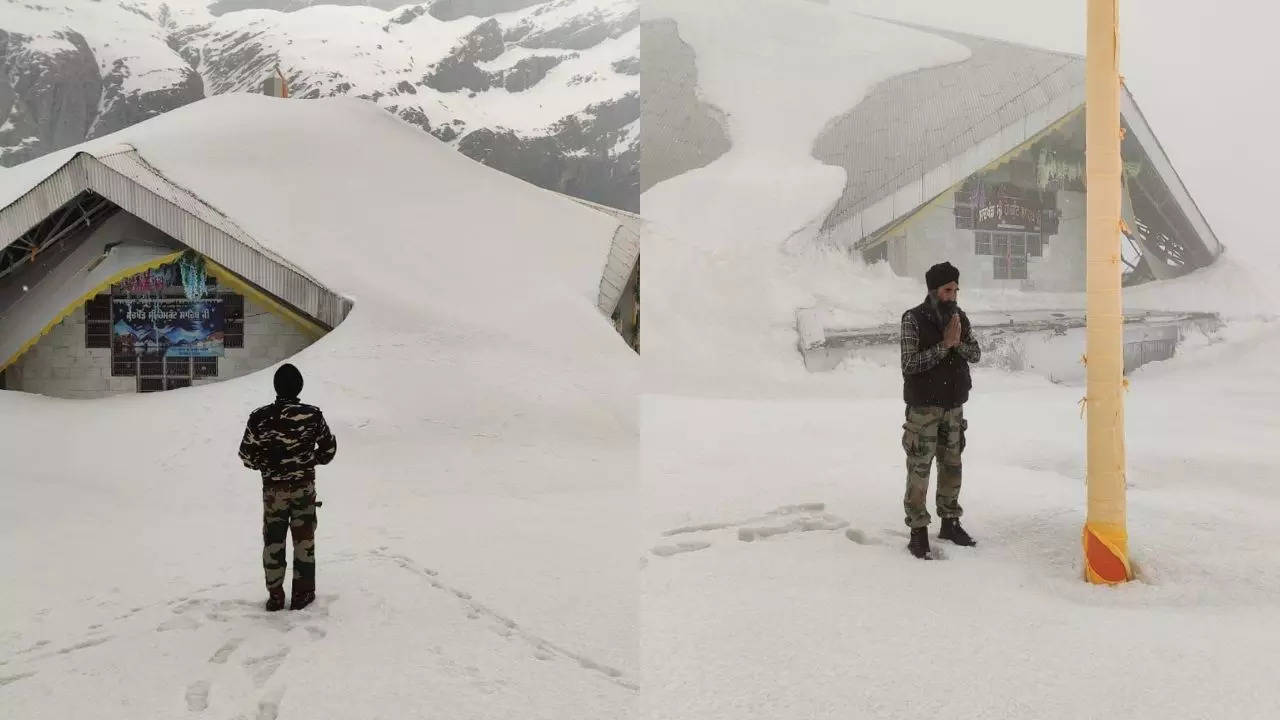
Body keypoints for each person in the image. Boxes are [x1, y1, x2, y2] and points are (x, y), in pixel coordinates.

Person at [239, 363, 338, 610]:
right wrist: (308, 461)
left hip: (274, 491)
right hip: (304, 488)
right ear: (299, 387)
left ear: (276, 387)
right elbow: (329, 450)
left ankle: (275, 596)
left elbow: (246, 455)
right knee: (304, 540)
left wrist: (267, 465)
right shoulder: (313, 415)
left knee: (274, 541)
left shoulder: (259, 417)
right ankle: (303, 595)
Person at [899, 261, 981, 559]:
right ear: (934, 290)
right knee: (919, 470)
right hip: (923, 410)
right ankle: (917, 531)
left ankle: (950, 522)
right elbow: (909, 364)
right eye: (948, 289)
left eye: (957, 289)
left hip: (953, 407)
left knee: (952, 466)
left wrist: (957, 344)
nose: (954, 295)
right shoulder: (913, 319)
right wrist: (944, 346)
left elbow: (976, 353)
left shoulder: (960, 318)